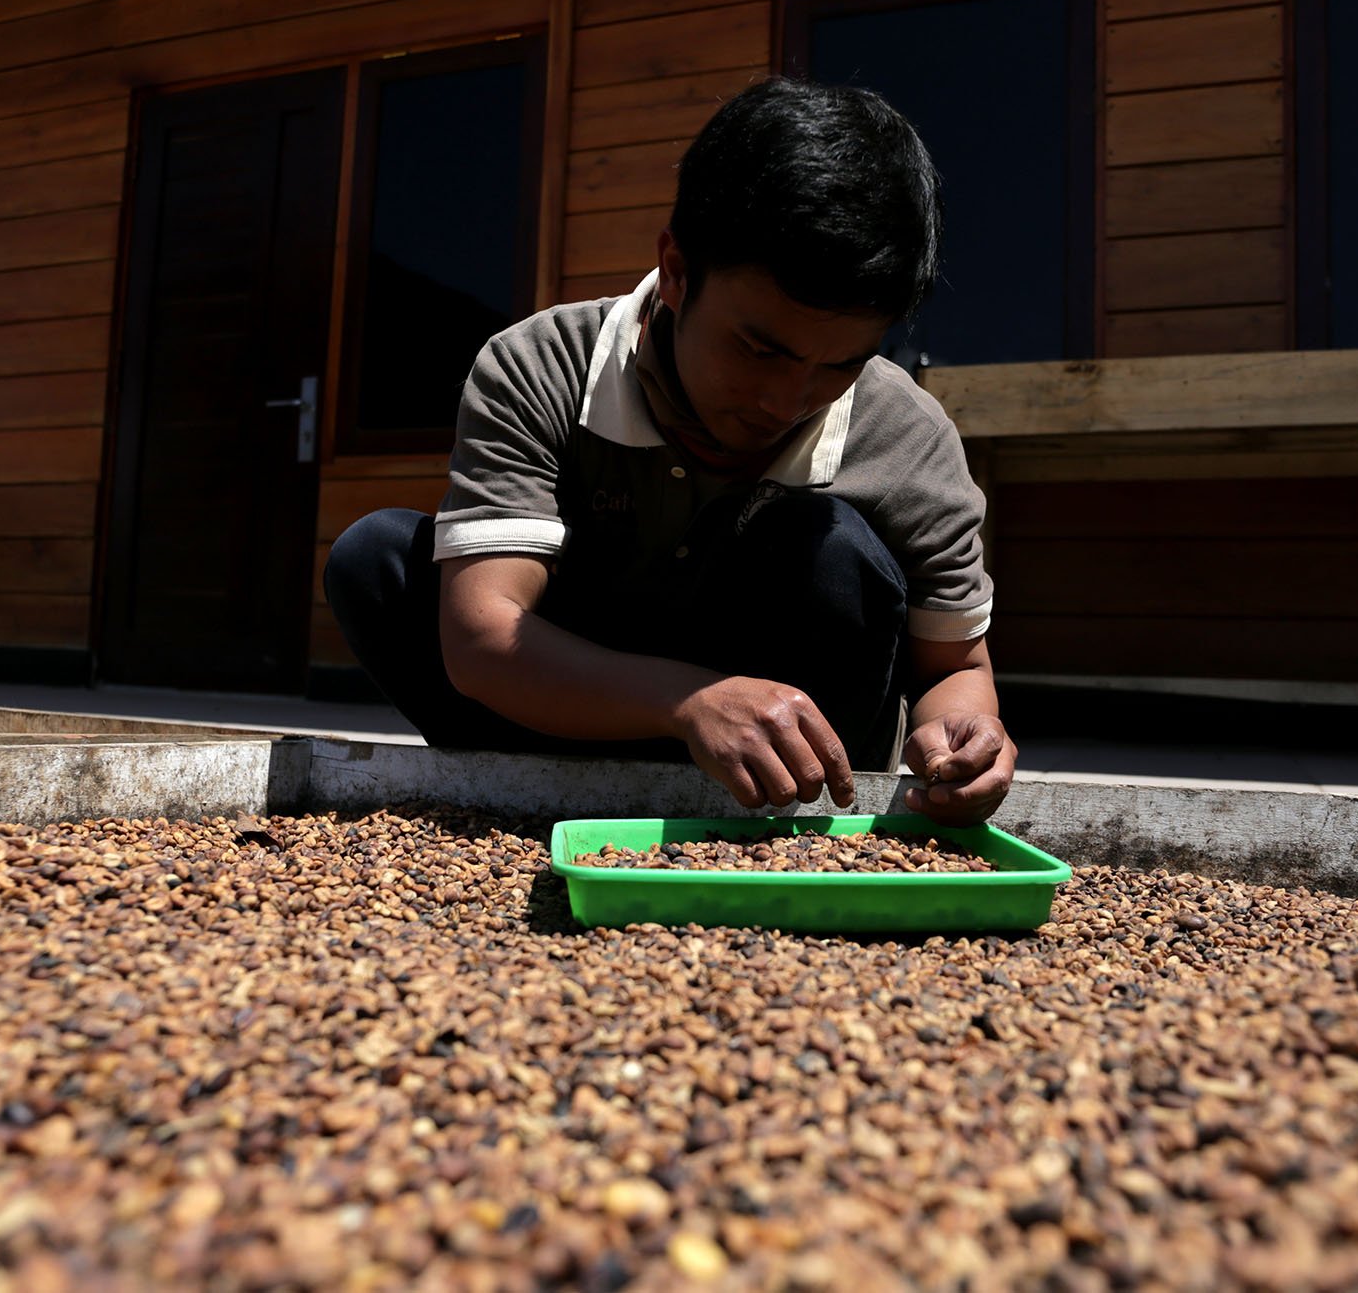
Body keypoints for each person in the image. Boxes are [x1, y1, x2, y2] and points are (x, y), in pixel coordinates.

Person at [325, 78, 1014, 826]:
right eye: (758, 349)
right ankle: (529, 796)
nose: (786, 401)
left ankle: (796, 824)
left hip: (786, 785)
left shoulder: (906, 433)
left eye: (840, 365)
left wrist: (964, 733)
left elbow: (957, 670)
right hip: (566, 726)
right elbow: (483, 638)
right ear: (678, 273)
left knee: (834, 550)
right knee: (382, 559)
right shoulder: (541, 368)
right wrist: (686, 702)